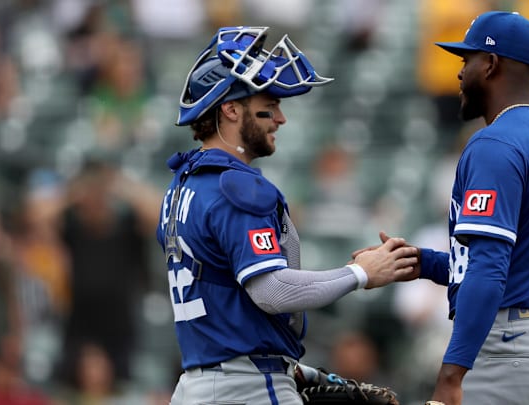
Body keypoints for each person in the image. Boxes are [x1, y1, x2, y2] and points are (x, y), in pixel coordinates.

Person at [155, 26, 417, 405]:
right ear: (230, 108)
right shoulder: (237, 186)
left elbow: (226, 299)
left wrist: (293, 369)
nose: (280, 118)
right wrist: (361, 273)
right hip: (246, 389)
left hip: (199, 385)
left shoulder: (182, 185)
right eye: (269, 103)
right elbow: (271, 291)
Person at [384, 11, 529, 404]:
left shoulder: (495, 142)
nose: (459, 73)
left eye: (466, 60)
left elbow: (489, 268)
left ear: (491, 64)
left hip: (516, 351)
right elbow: (526, 260)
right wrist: (426, 263)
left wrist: (452, 373)